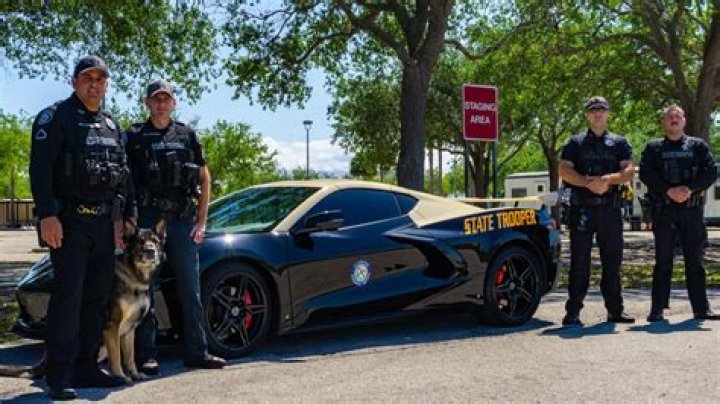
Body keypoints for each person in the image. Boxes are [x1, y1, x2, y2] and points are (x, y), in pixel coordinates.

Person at [29, 55, 134, 400]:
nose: (94, 84)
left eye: (100, 79)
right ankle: (59, 374)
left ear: (106, 85)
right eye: (88, 78)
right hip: (69, 222)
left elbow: (124, 175)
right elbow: (40, 169)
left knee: (97, 298)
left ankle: (87, 366)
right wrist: (47, 215)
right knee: (68, 298)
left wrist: (128, 215)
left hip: (103, 224)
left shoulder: (111, 124)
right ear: (74, 82)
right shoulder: (55, 117)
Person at [127, 79, 225, 374]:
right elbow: (126, 181)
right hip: (148, 220)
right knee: (145, 287)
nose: (161, 104)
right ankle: (146, 355)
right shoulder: (135, 136)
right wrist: (127, 221)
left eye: (165, 99)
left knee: (190, 289)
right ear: (148, 103)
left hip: (182, 221)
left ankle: (197, 352)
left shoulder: (186, 134)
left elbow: (205, 178)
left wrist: (201, 221)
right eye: (156, 99)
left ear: (173, 103)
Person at [558, 96, 636, 327]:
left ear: (608, 113)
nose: (597, 113)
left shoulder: (620, 142)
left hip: (610, 210)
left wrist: (607, 180)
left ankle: (615, 311)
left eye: (601, 109)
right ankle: (573, 313)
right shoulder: (575, 142)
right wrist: (587, 183)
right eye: (593, 110)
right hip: (582, 209)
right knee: (579, 263)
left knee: (612, 262)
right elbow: (564, 170)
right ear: (587, 115)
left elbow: (629, 170)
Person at [639, 105, 720, 322]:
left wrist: (690, 189)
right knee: (663, 261)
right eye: (669, 116)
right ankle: (657, 309)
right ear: (663, 122)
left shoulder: (698, 146)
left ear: (684, 121)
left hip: (691, 211)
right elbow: (646, 174)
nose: (674, 119)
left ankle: (701, 309)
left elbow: (711, 171)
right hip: (664, 211)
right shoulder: (653, 148)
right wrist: (668, 190)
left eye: (678, 116)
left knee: (695, 261)